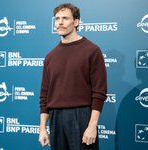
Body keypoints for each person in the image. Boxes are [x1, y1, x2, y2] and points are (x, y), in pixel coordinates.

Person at [38, 3, 107, 150]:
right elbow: (44, 96)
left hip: (81, 117)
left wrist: (92, 125)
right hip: (55, 118)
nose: (60, 23)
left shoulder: (92, 50)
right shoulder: (50, 56)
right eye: (57, 19)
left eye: (65, 18)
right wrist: (43, 128)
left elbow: (99, 93)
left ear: (76, 22)